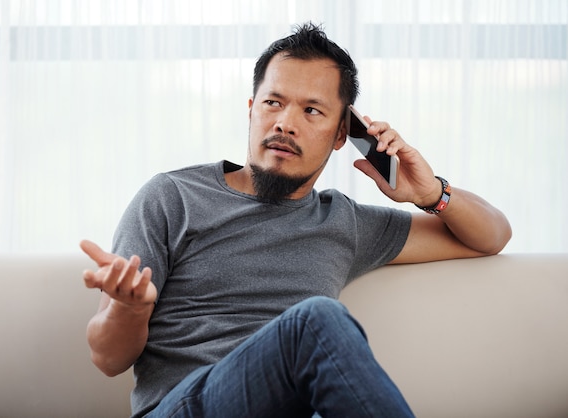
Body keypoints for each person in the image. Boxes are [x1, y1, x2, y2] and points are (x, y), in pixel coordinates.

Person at [80, 22, 511, 418]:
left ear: (343, 135)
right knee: (314, 321)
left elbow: (490, 236)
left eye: (312, 111)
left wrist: (431, 193)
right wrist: (131, 308)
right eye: (273, 102)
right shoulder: (173, 197)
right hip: (187, 407)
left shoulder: (344, 222)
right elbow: (108, 359)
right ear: (251, 109)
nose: (285, 123)